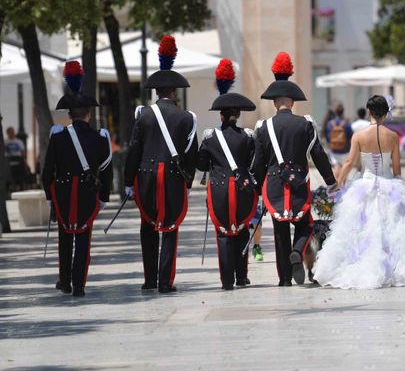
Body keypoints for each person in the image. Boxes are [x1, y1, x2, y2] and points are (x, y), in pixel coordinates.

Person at [313, 95, 405, 289]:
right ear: (386, 114)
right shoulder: (392, 136)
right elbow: (397, 169)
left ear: (369, 112)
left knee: (361, 229)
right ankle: (390, 268)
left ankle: (362, 265)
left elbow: (349, 162)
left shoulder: (359, 136)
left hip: (363, 185)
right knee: (390, 228)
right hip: (388, 184)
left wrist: (338, 184)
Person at [252, 52, 336, 286]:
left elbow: (258, 162)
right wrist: (330, 180)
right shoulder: (306, 124)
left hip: (274, 185)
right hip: (299, 182)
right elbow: (318, 154)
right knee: (305, 224)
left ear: (274, 102)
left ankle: (284, 279)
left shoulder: (263, 126)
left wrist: (257, 189)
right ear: (292, 102)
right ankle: (298, 251)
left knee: (280, 232)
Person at [124, 36, 198, 293]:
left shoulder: (142, 115)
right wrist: (188, 180)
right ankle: (165, 282)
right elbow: (192, 154)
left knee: (147, 226)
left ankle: (149, 279)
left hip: (145, 177)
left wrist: (127, 182)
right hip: (173, 178)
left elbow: (134, 150)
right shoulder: (187, 118)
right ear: (174, 92)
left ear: (156, 92)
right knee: (170, 227)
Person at [41, 61, 113, 297]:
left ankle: (65, 281)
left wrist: (50, 197)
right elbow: (106, 171)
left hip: (62, 192)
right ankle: (79, 284)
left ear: (70, 115)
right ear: (89, 114)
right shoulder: (100, 138)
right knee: (83, 236)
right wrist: (103, 198)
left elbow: (47, 170)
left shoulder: (58, 137)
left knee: (64, 238)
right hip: (86, 192)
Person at [196, 59, 258, 290]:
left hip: (220, 188)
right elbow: (254, 163)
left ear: (221, 116)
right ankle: (241, 276)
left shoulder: (210, 136)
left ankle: (227, 280)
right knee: (242, 230)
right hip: (242, 187)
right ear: (238, 115)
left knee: (223, 233)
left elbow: (201, 164)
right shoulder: (249, 136)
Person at [325, 103, 353, 175]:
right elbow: (350, 136)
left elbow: (328, 137)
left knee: (336, 166)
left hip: (334, 149)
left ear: (336, 112)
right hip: (345, 149)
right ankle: (343, 184)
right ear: (343, 112)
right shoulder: (347, 123)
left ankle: (337, 183)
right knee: (344, 167)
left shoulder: (330, 123)